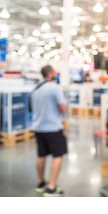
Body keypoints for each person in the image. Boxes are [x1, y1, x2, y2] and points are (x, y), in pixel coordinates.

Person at [30, 65, 68, 197]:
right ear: (51, 73)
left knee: (41, 155)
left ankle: (41, 183)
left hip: (38, 127)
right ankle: (51, 187)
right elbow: (63, 108)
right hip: (52, 127)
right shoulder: (55, 88)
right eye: (54, 72)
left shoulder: (35, 89)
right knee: (58, 156)